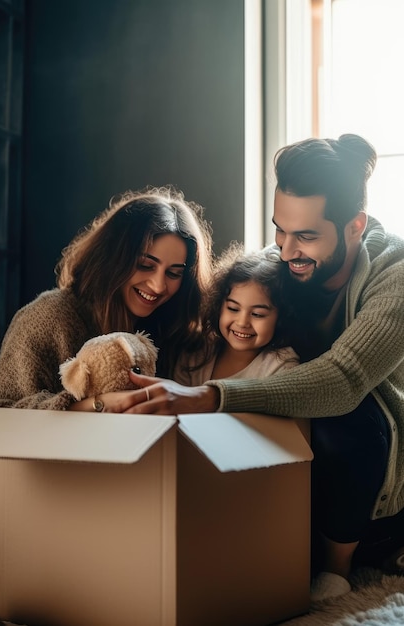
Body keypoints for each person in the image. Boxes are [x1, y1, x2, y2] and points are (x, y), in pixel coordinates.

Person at [120, 134, 404, 602]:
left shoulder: (392, 272)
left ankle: (340, 567)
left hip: (377, 470)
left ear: (355, 227)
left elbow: (343, 380)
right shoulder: (280, 266)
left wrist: (211, 395)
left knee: (341, 417)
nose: (287, 249)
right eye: (279, 230)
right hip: (305, 469)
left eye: (307, 236)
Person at [0, 184, 213, 600]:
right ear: (116, 257)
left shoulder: (167, 333)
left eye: (175, 273)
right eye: (146, 264)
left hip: (119, 507)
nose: (159, 285)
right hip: (18, 514)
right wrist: (96, 405)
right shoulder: (49, 315)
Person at [175, 243, 299, 386]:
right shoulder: (196, 351)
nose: (242, 322)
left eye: (257, 314)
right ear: (218, 306)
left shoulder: (282, 366)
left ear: (281, 318)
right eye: (233, 308)